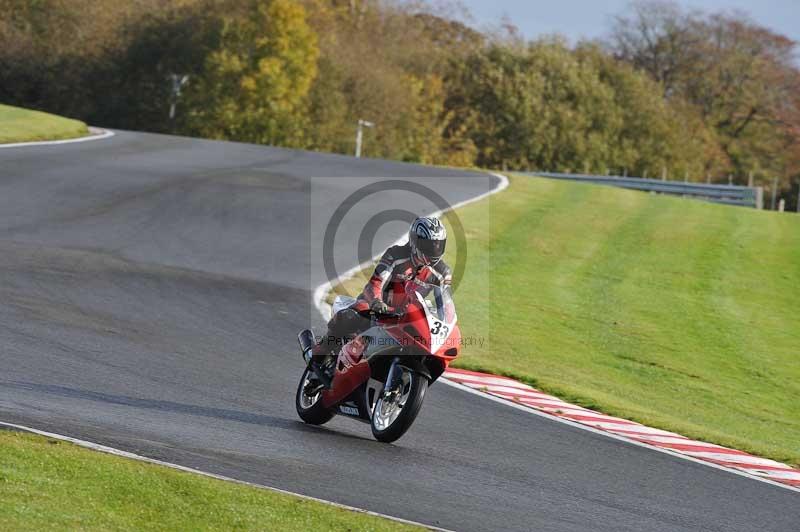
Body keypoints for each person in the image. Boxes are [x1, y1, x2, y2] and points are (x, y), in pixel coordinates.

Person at [310, 216, 451, 373]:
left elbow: (444, 303)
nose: (434, 250)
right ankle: (318, 355)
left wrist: (445, 322)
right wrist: (377, 302)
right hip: (376, 309)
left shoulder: (443, 273)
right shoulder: (395, 255)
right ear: (415, 241)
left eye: (438, 245)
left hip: (405, 318)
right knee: (350, 316)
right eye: (429, 245)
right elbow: (375, 283)